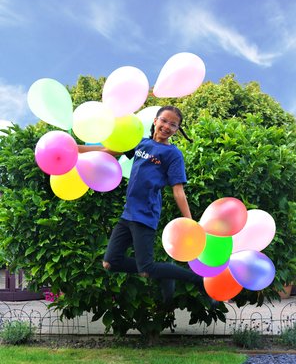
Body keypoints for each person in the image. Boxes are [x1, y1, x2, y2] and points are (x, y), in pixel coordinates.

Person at [78, 106, 213, 307]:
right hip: (128, 213)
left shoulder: (172, 154)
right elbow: (108, 151)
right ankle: (165, 271)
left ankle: (198, 281)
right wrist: (77, 149)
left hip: (146, 213)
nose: (167, 126)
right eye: (164, 121)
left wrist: (190, 221)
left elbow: (178, 190)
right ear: (155, 121)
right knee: (110, 262)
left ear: (177, 130)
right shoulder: (140, 142)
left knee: (146, 269)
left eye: (173, 124)